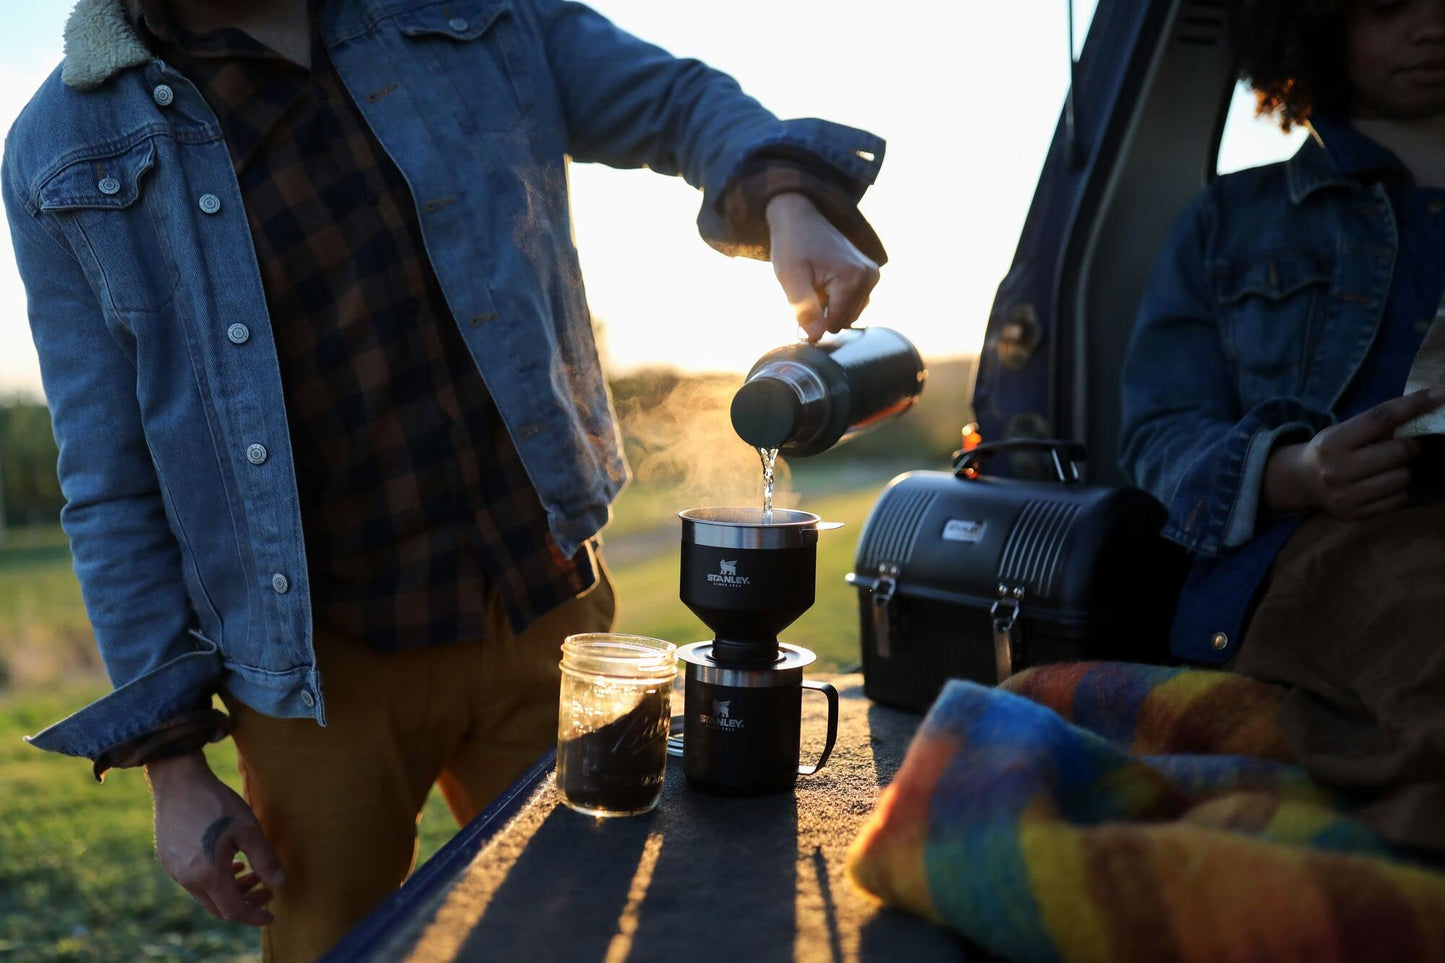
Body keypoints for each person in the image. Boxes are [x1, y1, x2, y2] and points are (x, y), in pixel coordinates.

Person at [2, 0, 886, 956]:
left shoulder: (473, 9)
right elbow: (107, 474)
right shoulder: (63, 145)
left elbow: (673, 100)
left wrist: (787, 194)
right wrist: (171, 763)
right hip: (317, 678)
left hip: (548, 617)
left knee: (581, 925)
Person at [1121, 0, 1445, 855]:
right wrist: (1294, 471)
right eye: (1386, 4)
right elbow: (1156, 430)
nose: (1431, 25)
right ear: (1315, 25)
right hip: (1320, 541)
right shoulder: (1229, 220)